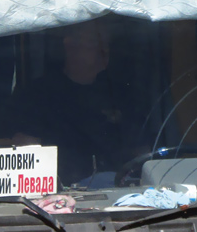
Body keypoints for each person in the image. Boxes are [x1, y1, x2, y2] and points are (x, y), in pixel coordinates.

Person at [24, 18, 135, 185]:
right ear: (69, 45)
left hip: (123, 194)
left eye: (106, 44)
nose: (103, 50)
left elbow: (143, 155)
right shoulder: (36, 95)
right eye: (93, 43)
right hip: (59, 198)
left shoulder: (123, 94)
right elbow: (25, 153)